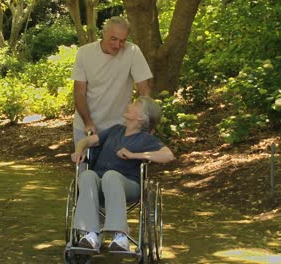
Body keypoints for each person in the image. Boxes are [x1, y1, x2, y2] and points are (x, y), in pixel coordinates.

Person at [70, 96, 175, 253]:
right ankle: (90, 234)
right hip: (99, 183)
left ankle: (120, 236)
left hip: (129, 186)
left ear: (142, 117)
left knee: (111, 175)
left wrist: (134, 155)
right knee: (87, 175)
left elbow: (168, 156)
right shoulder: (115, 130)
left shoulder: (145, 139)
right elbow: (85, 141)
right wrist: (79, 151)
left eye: (135, 104)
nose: (129, 105)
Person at [71, 16, 153, 149]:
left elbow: (145, 90)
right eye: (113, 39)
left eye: (122, 41)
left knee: (115, 169)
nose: (117, 45)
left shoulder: (132, 52)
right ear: (104, 33)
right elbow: (79, 92)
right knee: (85, 169)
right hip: (86, 126)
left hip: (119, 128)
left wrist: (146, 122)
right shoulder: (85, 53)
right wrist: (88, 122)